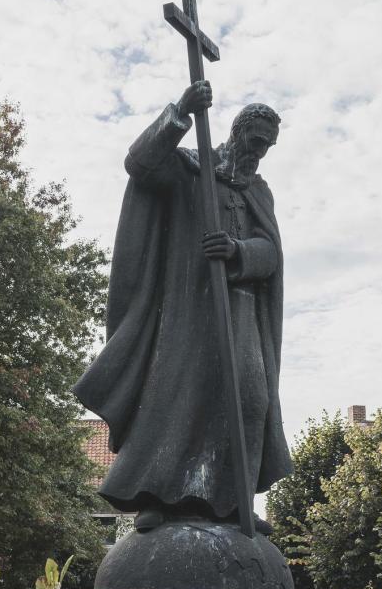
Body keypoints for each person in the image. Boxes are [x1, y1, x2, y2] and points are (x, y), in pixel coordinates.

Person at [74, 80, 291, 533]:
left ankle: (236, 502)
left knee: (251, 399)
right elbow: (140, 162)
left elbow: (270, 254)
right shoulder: (190, 168)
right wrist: (182, 112)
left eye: (267, 147)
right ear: (237, 133)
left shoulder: (258, 191)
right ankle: (159, 498)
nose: (259, 153)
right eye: (255, 142)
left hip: (240, 311)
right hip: (186, 310)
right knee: (174, 395)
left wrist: (237, 251)